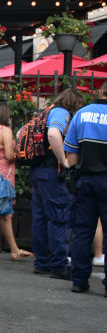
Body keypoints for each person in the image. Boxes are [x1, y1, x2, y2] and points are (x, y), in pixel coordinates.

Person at [30, 87, 84, 279]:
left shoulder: (45, 112)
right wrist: (64, 161)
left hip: (38, 171)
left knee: (40, 218)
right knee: (58, 218)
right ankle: (59, 265)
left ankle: (42, 262)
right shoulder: (61, 113)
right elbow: (54, 134)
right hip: (52, 172)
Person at [63, 80, 107, 295]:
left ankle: (79, 280)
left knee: (82, 231)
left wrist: (72, 174)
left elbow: (71, 154)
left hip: (86, 180)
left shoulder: (82, 114)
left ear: (100, 91)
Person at [0, 101, 32, 262]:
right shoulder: (5, 130)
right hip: (4, 175)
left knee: (3, 214)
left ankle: (14, 249)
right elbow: (10, 155)